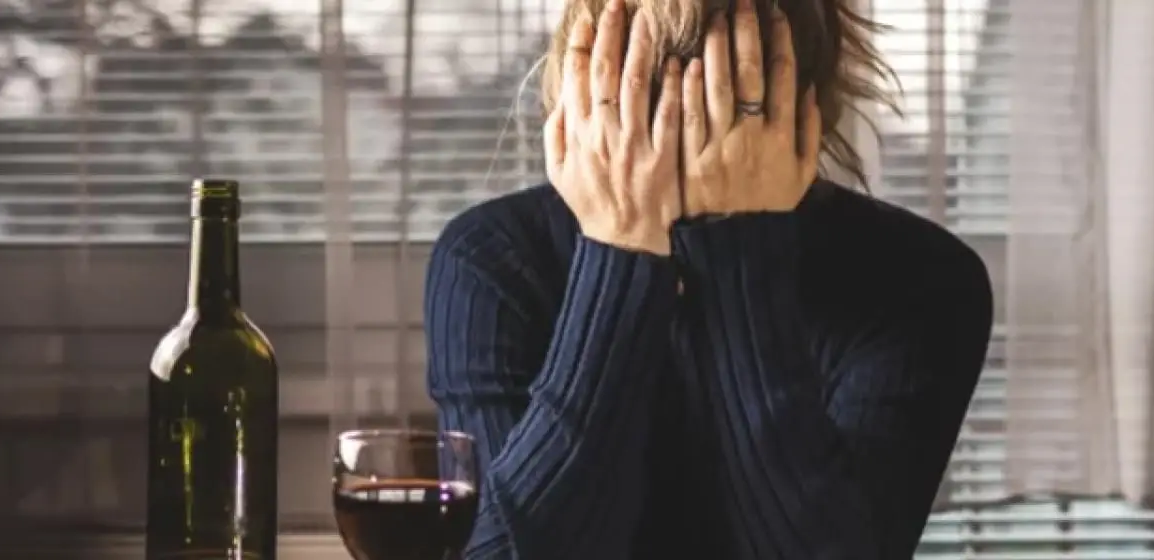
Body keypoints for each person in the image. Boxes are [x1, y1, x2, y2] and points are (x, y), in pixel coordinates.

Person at [422, 0, 995, 557]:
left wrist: (739, 251)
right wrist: (619, 250)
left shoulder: (923, 285)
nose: (664, 158)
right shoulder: (491, 261)